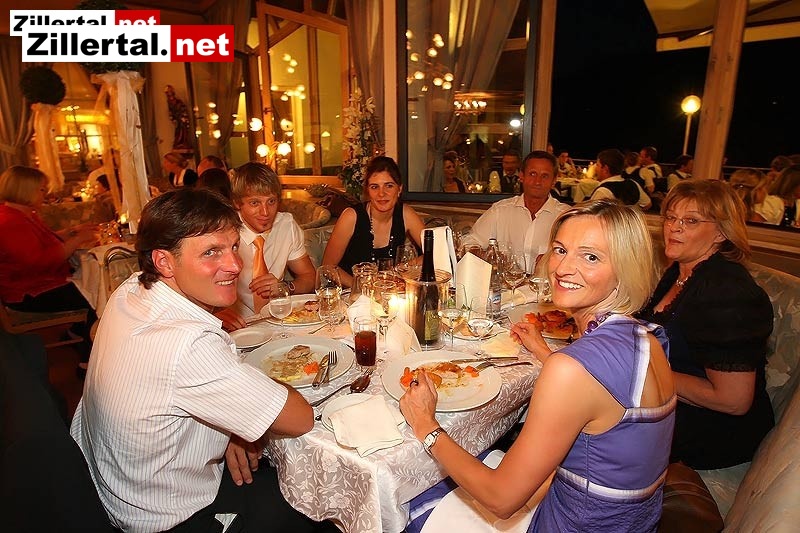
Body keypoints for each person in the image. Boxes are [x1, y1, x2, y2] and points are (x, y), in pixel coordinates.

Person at [70, 188, 336, 533]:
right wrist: (243, 408)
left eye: (234, 246)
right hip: (169, 518)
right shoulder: (188, 344)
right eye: (211, 252)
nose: (235, 265)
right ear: (164, 261)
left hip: (114, 484)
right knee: (320, 497)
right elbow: (300, 419)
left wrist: (229, 427)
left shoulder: (131, 288)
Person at [402, 199, 675, 531]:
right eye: (560, 250)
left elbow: (501, 499)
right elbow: (601, 400)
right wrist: (546, 353)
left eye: (590, 257)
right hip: (632, 523)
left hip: (573, 524)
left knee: (411, 498)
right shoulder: (649, 338)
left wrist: (426, 426)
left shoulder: (571, 369)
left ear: (625, 269)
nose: (563, 268)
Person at [637, 180, 774, 469]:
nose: (674, 228)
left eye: (691, 221)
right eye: (671, 217)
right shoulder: (680, 272)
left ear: (721, 232)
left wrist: (642, 370)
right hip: (671, 406)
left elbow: (733, 401)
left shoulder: (727, 291)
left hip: (713, 434)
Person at [0, 165, 98, 375]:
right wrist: (78, 240)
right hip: (28, 294)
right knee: (97, 296)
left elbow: (42, 240)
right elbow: (41, 261)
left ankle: (75, 331)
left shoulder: (22, 214)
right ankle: (87, 362)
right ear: (25, 190)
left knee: (92, 283)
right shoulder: (10, 222)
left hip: (37, 283)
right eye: (41, 189)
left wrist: (72, 231)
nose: (45, 194)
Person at [215, 162, 316, 331]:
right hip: (237, 327)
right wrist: (215, 314)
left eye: (271, 201)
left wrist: (285, 287)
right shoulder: (221, 231)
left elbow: (309, 277)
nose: (265, 212)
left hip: (278, 321)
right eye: (255, 203)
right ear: (237, 203)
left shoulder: (286, 225)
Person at [322, 156, 425, 287]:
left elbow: (435, 252)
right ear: (368, 191)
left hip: (386, 291)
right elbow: (328, 267)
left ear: (399, 189)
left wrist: (404, 267)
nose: (381, 193)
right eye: (374, 187)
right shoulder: (351, 216)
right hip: (349, 292)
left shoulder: (406, 214)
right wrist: (361, 288)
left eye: (389, 186)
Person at [463, 151, 568, 270]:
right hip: (506, 281)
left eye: (545, 176)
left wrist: (553, 258)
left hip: (547, 281)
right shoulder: (501, 210)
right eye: (532, 174)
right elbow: (469, 243)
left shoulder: (565, 217)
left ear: (554, 180)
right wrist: (486, 255)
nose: (538, 181)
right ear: (522, 176)